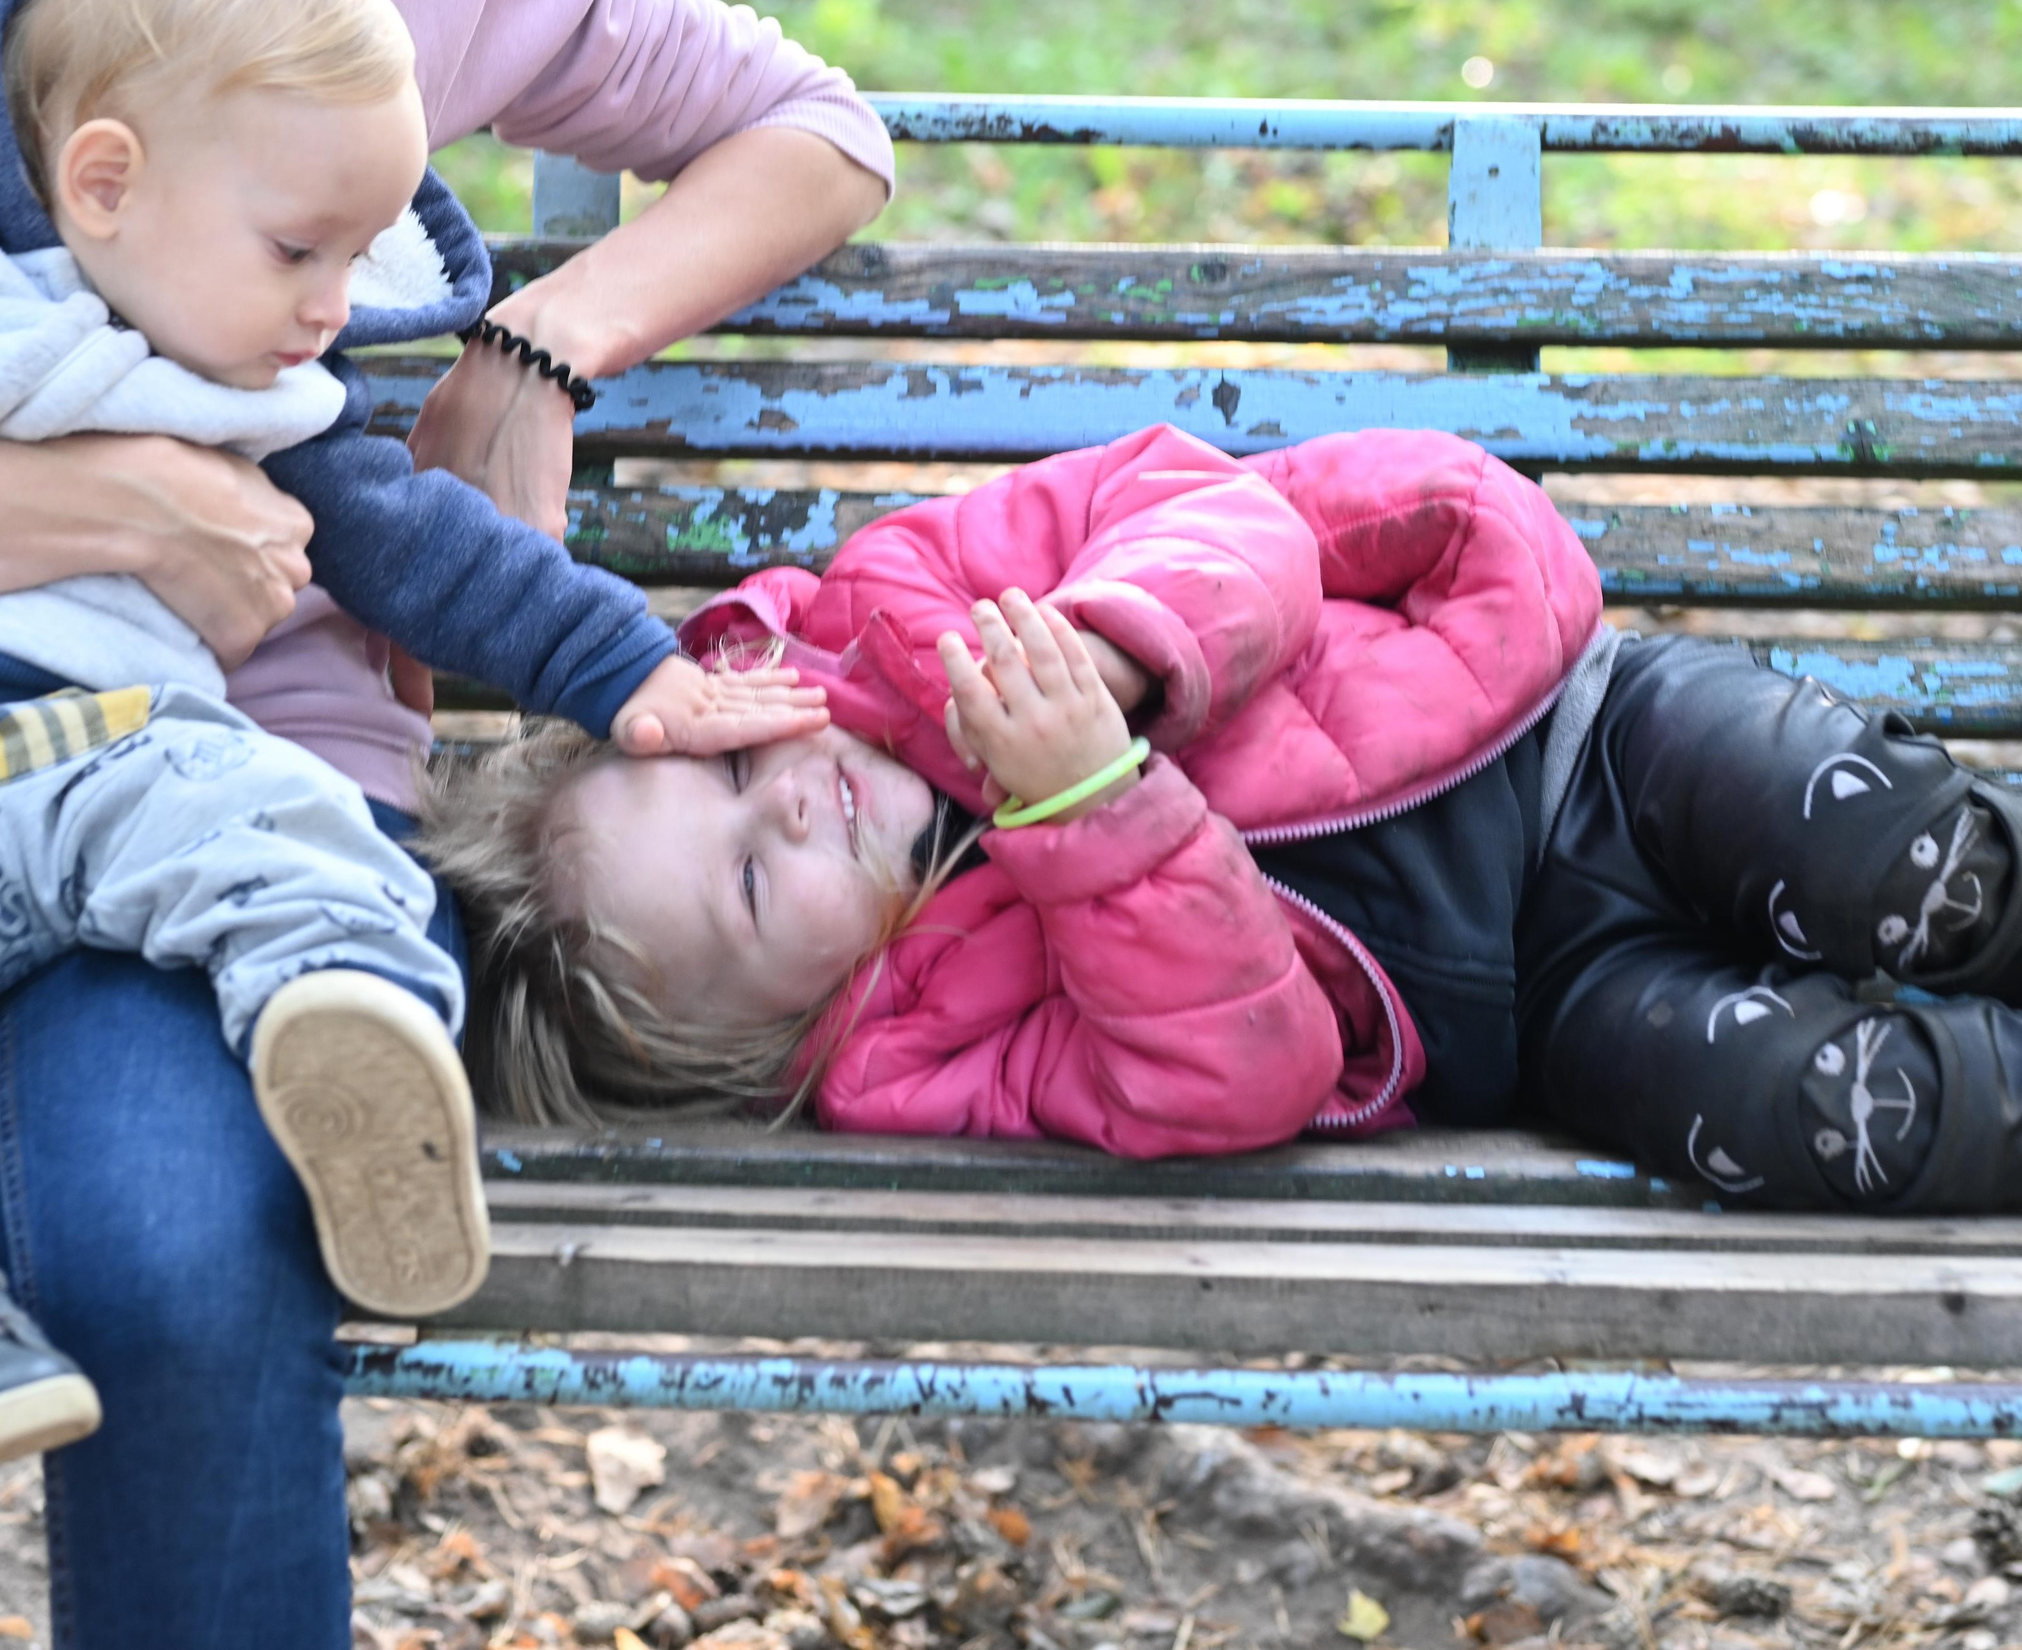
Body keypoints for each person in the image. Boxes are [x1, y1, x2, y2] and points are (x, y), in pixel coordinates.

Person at [0, 0, 890, 1640]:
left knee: (182, 1259)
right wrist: (111, 511)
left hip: (205, 762)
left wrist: (537, 347)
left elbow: (810, 127)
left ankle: (349, 999)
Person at [426, 422, 2022, 1212]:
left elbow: (1228, 510)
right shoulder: (912, 1062)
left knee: (1891, 857)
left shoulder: (907, 598)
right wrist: (1083, 813)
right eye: (756, 893)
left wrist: (1120, 656)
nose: (790, 805)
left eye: (722, 770)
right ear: (770, 1043)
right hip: (1547, 1019)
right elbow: (1246, 1077)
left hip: (1577, 738)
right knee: (1815, 1111)